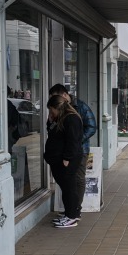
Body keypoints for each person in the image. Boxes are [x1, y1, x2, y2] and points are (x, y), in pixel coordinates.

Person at [49, 84, 97, 220]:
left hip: (79, 151)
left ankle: (76, 210)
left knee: (78, 179)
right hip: (66, 151)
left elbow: (92, 127)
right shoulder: (59, 111)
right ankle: (70, 210)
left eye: (55, 97)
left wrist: (75, 141)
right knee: (68, 182)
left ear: (64, 95)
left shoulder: (80, 107)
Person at [44, 94, 83, 228]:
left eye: (51, 110)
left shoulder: (71, 119)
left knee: (69, 188)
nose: (50, 113)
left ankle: (72, 216)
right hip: (59, 159)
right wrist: (50, 121)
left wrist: (67, 158)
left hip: (67, 160)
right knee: (66, 188)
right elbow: (52, 133)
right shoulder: (60, 118)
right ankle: (70, 213)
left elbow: (73, 141)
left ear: (57, 108)